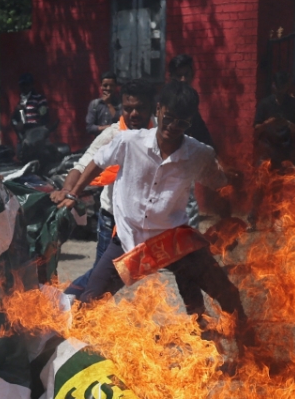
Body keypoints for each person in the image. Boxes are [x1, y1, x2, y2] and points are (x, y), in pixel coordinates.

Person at [53, 81, 247, 340]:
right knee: (90, 300)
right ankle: (75, 352)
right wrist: (72, 193)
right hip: (128, 240)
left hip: (172, 242)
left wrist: (228, 217)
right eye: (168, 118)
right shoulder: (128, 141)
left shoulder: (198, 154)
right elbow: (96, 163)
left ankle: (251, 352)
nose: (172, 128)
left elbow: (219, 184)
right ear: (159, 109)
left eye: (182, 122)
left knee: (227, 294)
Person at [63, 79, 154, 296]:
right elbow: (83, 165)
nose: (133, 114)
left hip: (147, 223)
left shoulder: (162, 133)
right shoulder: (114, 134)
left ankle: (74, 303)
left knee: (119, 276)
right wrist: (69, 191)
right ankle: (69, 302)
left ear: (152, 107)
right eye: (128, 108)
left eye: (139, 108)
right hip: (112, 219)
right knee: (101, 277)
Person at [167, 54, 216, 226]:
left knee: (187, 203)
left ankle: (190, 241)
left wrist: (212, 155)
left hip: (182, 160)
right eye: (179, 75)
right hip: (161, 158)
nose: (183, 79)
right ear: (171, 76)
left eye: (186, 75)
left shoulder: (190, 99)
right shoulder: (166, 98)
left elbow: (200, 129)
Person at [253, 71, 295, 167]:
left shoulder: (293, 104)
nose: (280, 92)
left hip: (285, 150)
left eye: (282, 88)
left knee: (284, 179)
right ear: (273, 85)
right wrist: (268, 123)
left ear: (287, 86)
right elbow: (256, 128)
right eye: (278, 88)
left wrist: (287, 123)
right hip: (267, 148)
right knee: (264, 176)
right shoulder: (265, 103)